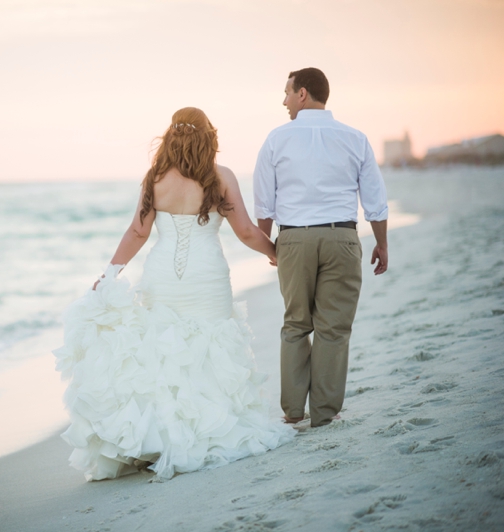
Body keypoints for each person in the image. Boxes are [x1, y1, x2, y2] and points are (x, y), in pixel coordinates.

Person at [53, 107, 296, 482]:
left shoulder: (155, 179)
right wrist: (275, 253)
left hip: (163, 275)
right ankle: (208, 429)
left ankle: (165, 437)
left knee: (164, 351)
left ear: (170, 136)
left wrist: (111, 273)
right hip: (207, 275)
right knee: (209, 348)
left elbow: (137, 233)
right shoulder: (220, 177)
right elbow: (246, 231)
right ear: (208, 136)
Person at [252, 68, 389, 429]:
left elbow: (264, 206)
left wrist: (270, 249)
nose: (283, 101)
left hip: (294, 240)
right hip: (342, 238)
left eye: (286, 92)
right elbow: (375, 200)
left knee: (296, 323)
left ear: (303, 93)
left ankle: (293, 411)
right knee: (334, 328)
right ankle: (325, 413)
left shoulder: (276, 139)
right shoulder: (354, 138)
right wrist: (382, 244)